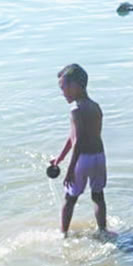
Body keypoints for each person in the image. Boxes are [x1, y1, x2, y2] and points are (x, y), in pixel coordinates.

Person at [50, 64, 107, 234]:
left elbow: (78, 141)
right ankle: (103, 230)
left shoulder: (75, 110)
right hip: (99, 157)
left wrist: (70, 168)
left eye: (63, 87)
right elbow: (73, 137)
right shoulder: (95, 106)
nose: (62, 93)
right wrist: (59, 158)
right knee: (98, 195)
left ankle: (63, 234)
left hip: (82, 160)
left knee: (70, 199)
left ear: (75, 86)